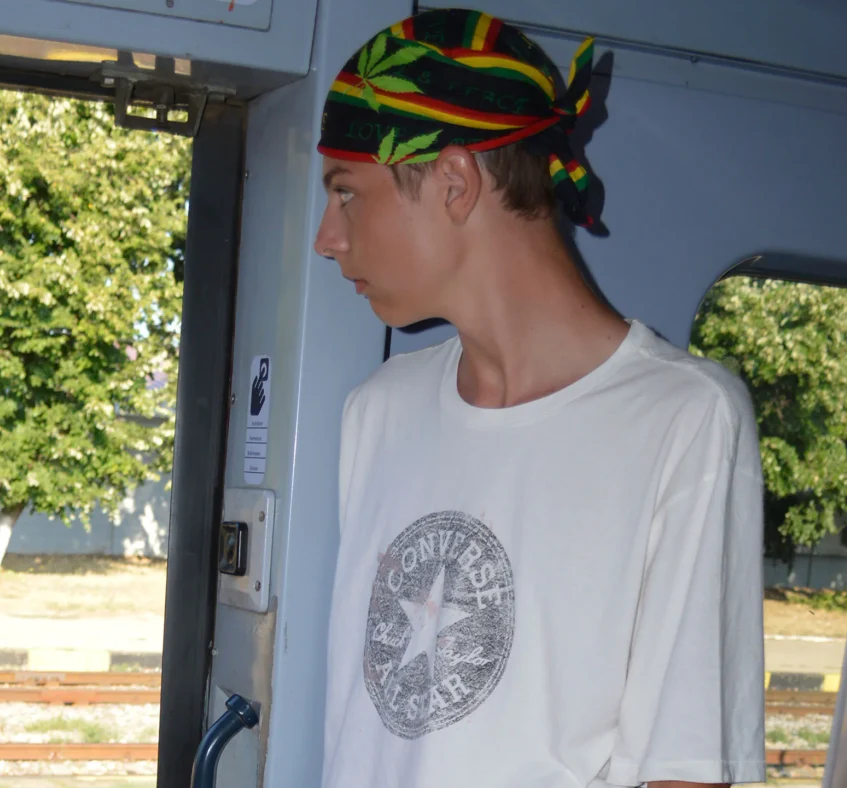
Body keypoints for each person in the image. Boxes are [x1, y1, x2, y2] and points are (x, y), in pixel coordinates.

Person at [313, 9, 765, 788]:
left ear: (454, 182)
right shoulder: (378, 412)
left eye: (347, 193)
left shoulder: (681, 420)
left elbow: (686, 768)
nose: (328, 236)